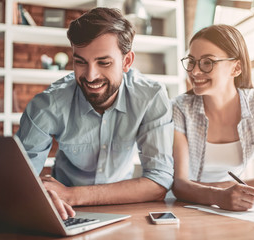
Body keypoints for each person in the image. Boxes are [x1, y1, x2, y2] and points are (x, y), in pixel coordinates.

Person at [16, 7, 174, 219]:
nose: (90, 76)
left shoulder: (151, 96)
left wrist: (73, 195)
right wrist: (41, 193)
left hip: (123, 208)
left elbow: (159, 182)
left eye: (104, 62)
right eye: (80, 62)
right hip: (64, 212)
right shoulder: (48, 103)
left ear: (127, 61)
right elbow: (18, 181)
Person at [172, 24, 254, 211]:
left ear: (236, 68)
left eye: (207, 62)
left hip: (231, 204)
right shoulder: (179, 108)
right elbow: (179, 184)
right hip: (185, 207)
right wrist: (219, 195)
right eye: (191, 61)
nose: (194, 71)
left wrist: (224, 193)